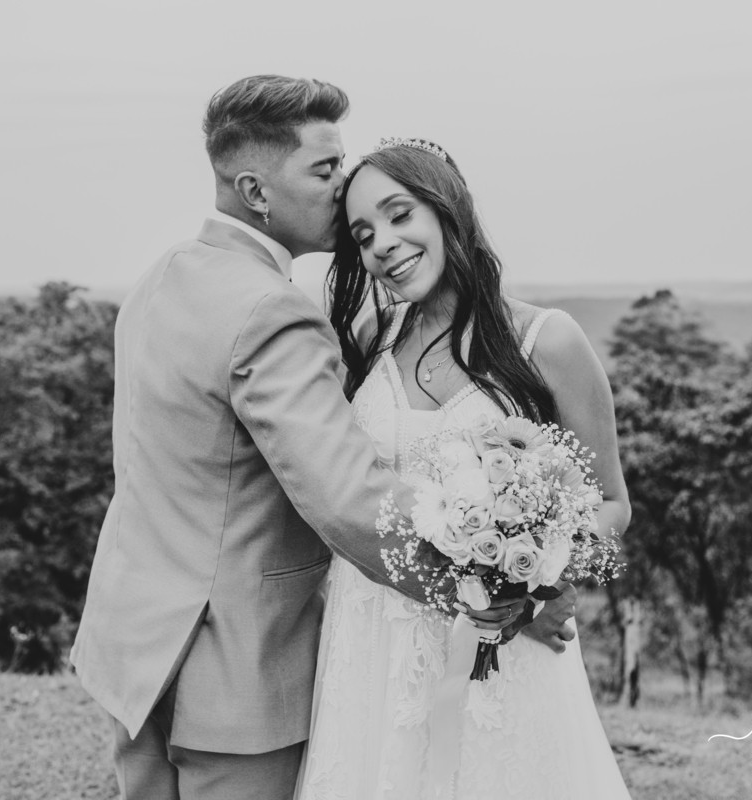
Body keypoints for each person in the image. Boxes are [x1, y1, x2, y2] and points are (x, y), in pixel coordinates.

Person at [69, 79, 541, 800]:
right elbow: (351, 502)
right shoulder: (271, 311)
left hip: (135, 651)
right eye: (324, 171)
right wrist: (482, 589)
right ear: (257, 191)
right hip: (236, 672)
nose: (341, 186)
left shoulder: (160, 278)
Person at [295, 138, 635, 799]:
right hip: (372, 635)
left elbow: (612, 503)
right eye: (363, 234)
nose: (382, 245)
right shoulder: (369, 340)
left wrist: (535, 577)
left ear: (448, 209)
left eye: (399, 215)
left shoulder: (548, 341)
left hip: (503, 642)